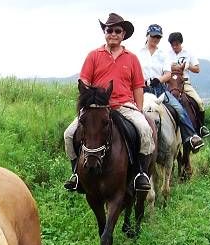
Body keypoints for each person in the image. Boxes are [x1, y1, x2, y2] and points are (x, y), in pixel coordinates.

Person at [62, 13, 155, 192]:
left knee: (144, 130)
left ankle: (141, 173)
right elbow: (85, 82)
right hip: (97, 108)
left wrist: (140, 109)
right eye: (109, 29)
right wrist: (89, 101)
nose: (113, 33)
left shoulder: (132, 58)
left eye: (117, 30)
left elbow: (137, 87)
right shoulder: (93, 56)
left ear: (123, 34)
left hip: (124, 105)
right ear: (104, 32)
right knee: (69, 134)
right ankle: (76, 174)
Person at [138, 24, 204, 152]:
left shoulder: (163, 55)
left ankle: (191, 136)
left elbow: (168, 74)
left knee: (179, 108)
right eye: (153, 36)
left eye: (158, 37)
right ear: (147, 36)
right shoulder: (139, 53)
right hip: (142, 89)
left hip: (159, 89)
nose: (155, 39)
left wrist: (159, 80)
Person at [165, 31, 209, 138]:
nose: (175, 47)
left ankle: (201, 127)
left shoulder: (188, 53)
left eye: (177, 44)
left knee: (199, 102)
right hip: (170, 83)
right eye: (173, 45)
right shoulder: (167, 55)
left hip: (185, 82)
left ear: (181, 43)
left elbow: (197, 69)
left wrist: (187, 66)